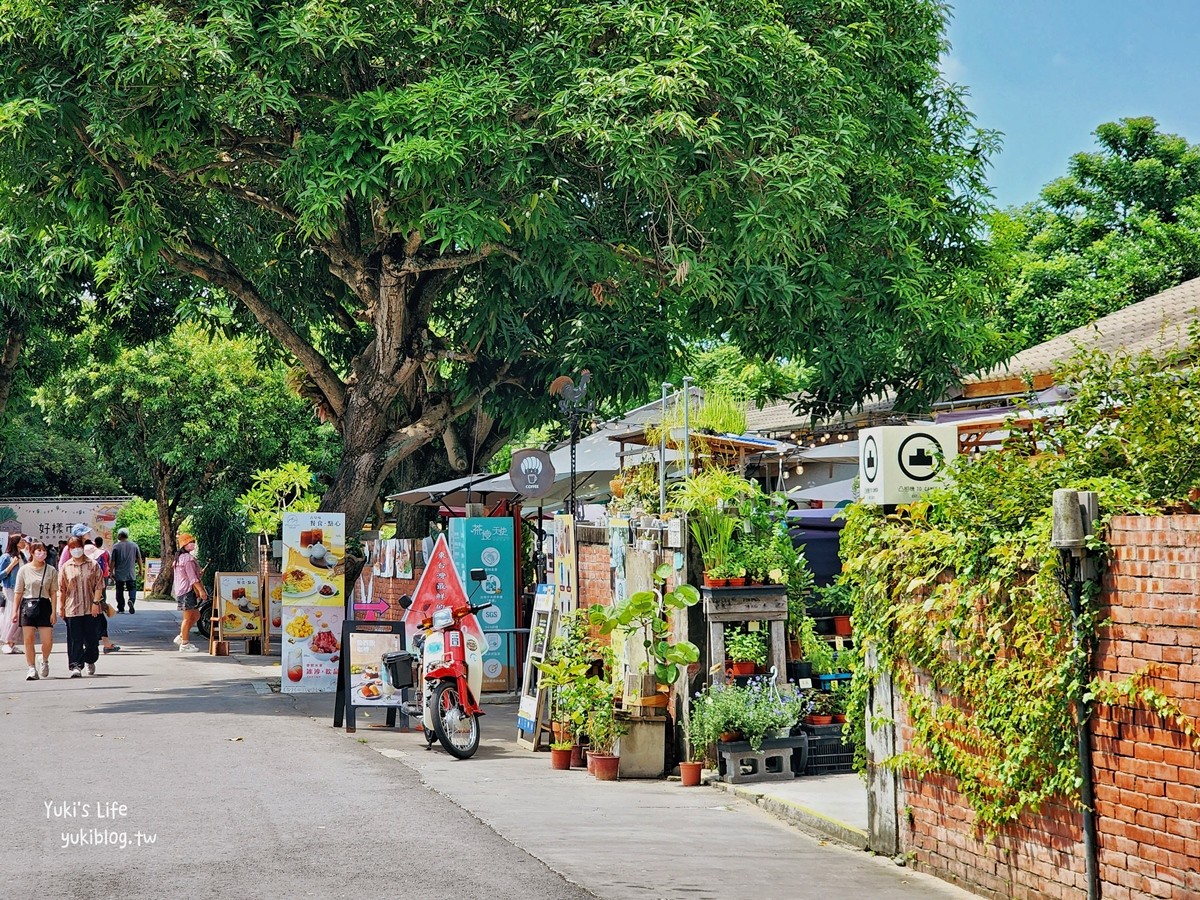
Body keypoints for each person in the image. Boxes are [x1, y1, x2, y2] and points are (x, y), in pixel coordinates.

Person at [59, 535, 105, 677]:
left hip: (90, 608)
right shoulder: (66, 567)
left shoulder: (92, 564)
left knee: (91, 640)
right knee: (74, 639)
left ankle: (90, 659)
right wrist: (61, 608)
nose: (76, 550)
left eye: (78, 547)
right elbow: (62, 589)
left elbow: (99, 585)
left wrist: (96, 603)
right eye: (72, 547)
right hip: (72, 608)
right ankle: (76, 665)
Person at [12, 541, 57, 679]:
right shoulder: (24, 570)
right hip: (28, 605)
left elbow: (54, 592)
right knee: (29, 639)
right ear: (31, 552)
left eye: (44, 550)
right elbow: (18, 592)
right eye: (38, 550)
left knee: (47, 641)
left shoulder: (51, 570)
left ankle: (44, 660)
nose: (42, 553)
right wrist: (15, 611)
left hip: (44, 605)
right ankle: (31, 668)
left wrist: (54, 612)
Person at [172, 532, 206, 653]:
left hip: (182, 590)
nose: (192, 544)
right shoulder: (188, 559)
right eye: (190, 542)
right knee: (187, 618)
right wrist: (201, 590)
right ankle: (185, 644)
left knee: (196, 615)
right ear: (184, 545)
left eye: (193, 542)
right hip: (187, 591)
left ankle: (182, 636)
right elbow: (192, 578)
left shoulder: (180, 558)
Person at [110, 528, 143, 614]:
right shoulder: (134, 545)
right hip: (130, 572)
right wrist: (140, 569)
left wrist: (111, 572)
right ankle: (131, 600)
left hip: (119, 572)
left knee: (119, 590)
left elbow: (113, 561)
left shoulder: (116, 546)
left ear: (120, 535)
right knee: (132, 588)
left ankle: (121, 608)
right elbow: (139, 558)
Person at [0, 535, 22, 653]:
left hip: (22, 589)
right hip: (11, 589)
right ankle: (7, 641)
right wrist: (11, 565)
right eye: (21, 541)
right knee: (12, 615)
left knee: (20, 617)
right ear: (16, 543)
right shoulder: (6, 557)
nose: (24, 542)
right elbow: (1, 574)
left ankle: (12, 643)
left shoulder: (22, 556)